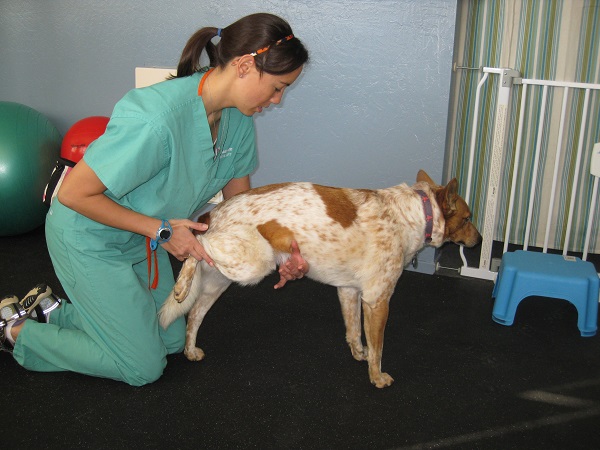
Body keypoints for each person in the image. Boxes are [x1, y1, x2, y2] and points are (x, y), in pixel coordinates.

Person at [0, 13, 310, 386]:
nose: (277, 100)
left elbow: (239, 210)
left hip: (142, 240)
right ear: (245, 66)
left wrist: (280, 253)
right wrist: (162, 232)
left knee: (171, 339)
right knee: (142, 367)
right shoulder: (157, 117)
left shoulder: (238, 119)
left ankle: (53, 312)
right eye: (277, 87)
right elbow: (72, 194)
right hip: (88, 238)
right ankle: (17, 333)